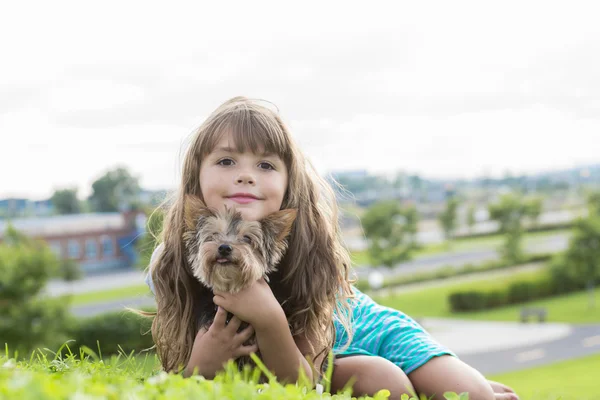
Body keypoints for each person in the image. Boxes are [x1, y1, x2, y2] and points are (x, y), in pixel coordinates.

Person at [142, 96, 518, 400]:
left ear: (289, 182)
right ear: (196, 175)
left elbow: (306, 366)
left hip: (357, 324)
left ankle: (464, 383)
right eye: (226, 160)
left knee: (473, 396)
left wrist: (270, 316)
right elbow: (297, 387)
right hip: (325, 362)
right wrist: (200, 366)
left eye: (266, 165)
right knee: (387, 383)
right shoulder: (174, 258)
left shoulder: (309, 246)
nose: (245, 174)